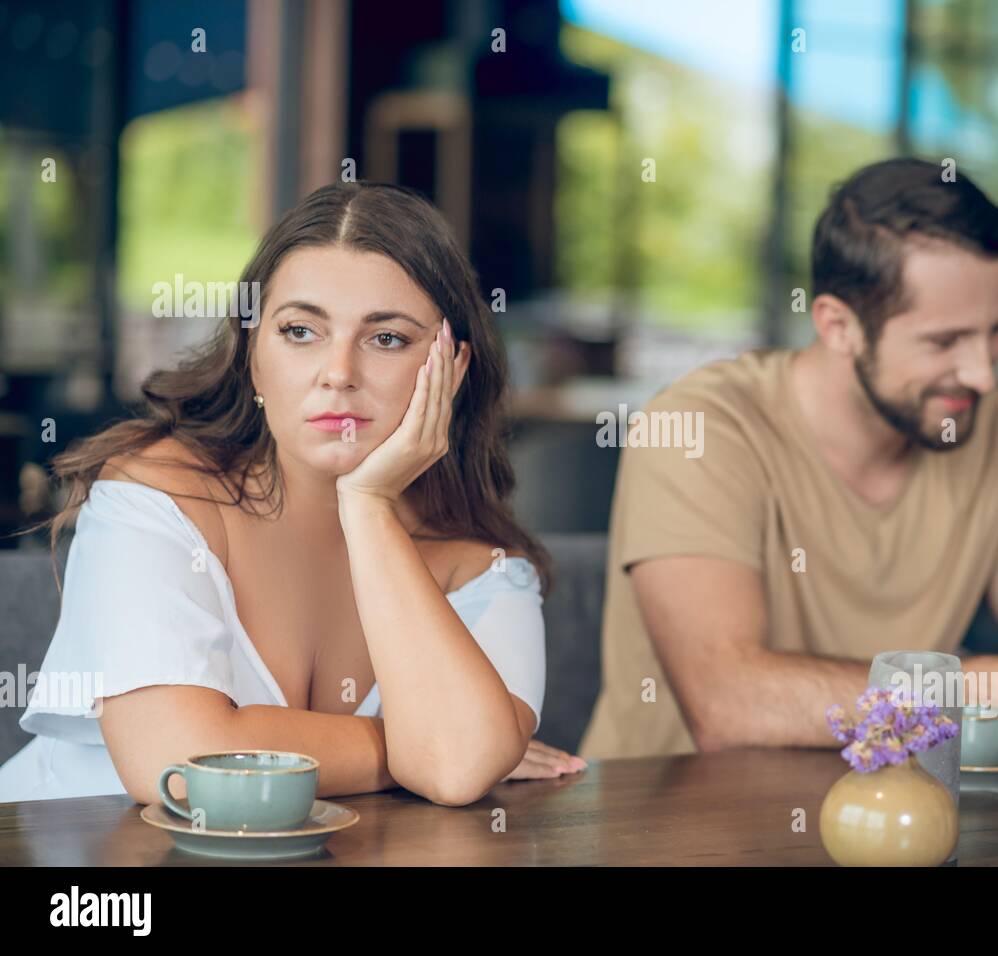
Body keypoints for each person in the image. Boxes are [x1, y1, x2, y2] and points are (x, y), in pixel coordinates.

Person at [580, 158, 998, 760]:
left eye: (996, 331)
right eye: (945, 340)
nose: (982, 374)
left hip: (897, 831)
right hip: (672, 838)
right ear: (838, 326)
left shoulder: (988, 431)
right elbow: (729, 705)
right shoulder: (698, 428)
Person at [0, 182, 585, 805]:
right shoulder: (153, 500)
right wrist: (415, 744)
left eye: (386, 338)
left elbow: (456, 768)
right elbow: (176, 765)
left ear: (454, 371)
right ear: (253, 355)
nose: (338, 373)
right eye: (301, 331)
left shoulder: (485, 569)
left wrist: (368, 505)